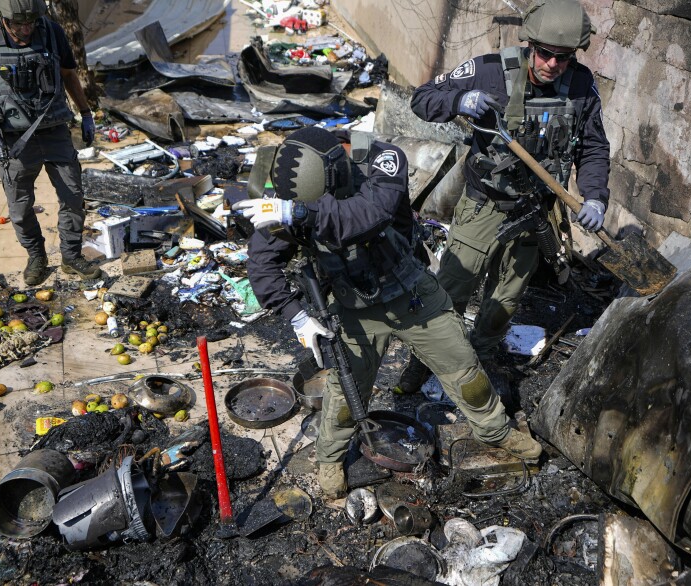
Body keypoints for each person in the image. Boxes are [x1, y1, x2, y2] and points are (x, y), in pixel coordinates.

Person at [234, 127, 542, 499]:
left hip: (410, 291)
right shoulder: (283, 193)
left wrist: (300, 212)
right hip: (353, 306)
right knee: (346, 391)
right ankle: (330, 457)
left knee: (463, 368)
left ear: (336, 169)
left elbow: (369, 213)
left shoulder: (380, 160)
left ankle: (495, 430)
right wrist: (297, 316)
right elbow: (262, 263)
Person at [399, 0, 610, 393]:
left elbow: (594, 148)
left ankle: (476, 363)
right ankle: (421, 364)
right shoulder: (490, 71)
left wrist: (595, 197)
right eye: (545, 54)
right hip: (484, 205)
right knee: (450, 291)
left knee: (504, 302)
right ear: (531, 45)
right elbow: (422, 98)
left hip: (535, 213)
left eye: (563, 58)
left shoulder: (581, 87)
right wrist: (458, 101)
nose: (552, 65)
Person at [0, 0, 101, 286]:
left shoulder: (51, 31)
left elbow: (68, 75)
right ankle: (36, 256)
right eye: (19, 25)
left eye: (31, 23)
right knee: (20, 208)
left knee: (73, 197)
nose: (26, 29)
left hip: (55, 131)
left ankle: (72, 256)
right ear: (3, 18)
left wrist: (86, 113)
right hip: (14, 139)